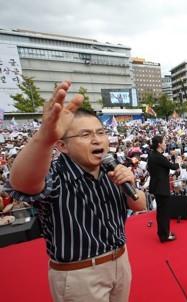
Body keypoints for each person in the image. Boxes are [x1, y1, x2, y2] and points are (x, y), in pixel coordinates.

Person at [7, 81, 147, 302]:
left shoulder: (112, 166)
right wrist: (45, 138)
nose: (97, 139)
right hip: (79, 273)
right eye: (84, 135)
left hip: (120, 260)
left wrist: (130, 184)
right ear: (61, 145)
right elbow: (23, 184)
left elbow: (140, 205)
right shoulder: (55, 173)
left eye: (100, 132)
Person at [148, 135, 180, 243]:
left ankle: (163, 233)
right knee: (164, 213)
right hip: (161, 188)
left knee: (161, 212)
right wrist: (177, 159)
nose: (165, 144)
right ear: (159, 144)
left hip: (157, 186)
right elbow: (173, 167)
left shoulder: (152, 155)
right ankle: (165, 235)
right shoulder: (158, 156)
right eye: (164, 142)